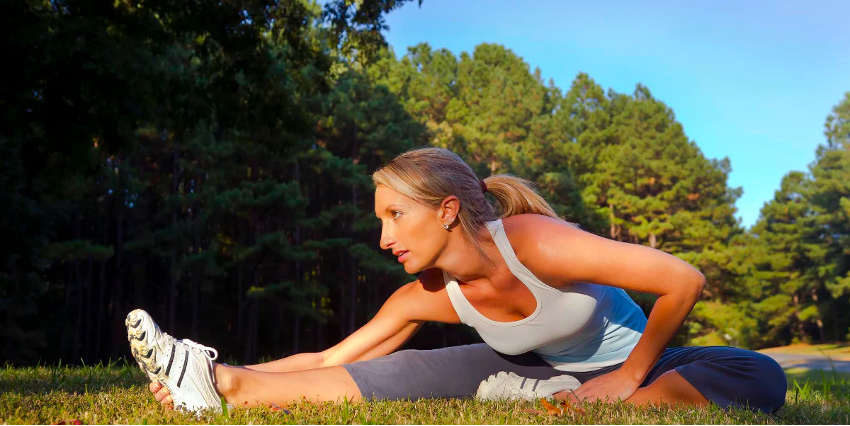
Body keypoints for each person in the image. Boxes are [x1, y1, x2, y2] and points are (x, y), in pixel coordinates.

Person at [126, 147, 787, 415]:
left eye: (395, 216)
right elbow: (332, 359)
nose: (383, 236)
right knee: (416, 371)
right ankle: (218, 385)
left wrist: (629, 375)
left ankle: (599, 405)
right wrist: (215, 368)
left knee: (761, 376)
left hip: (647, 364)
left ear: (446, 212)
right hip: (538, 368)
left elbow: (682, 278)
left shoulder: (536, 243)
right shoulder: (426, 295)